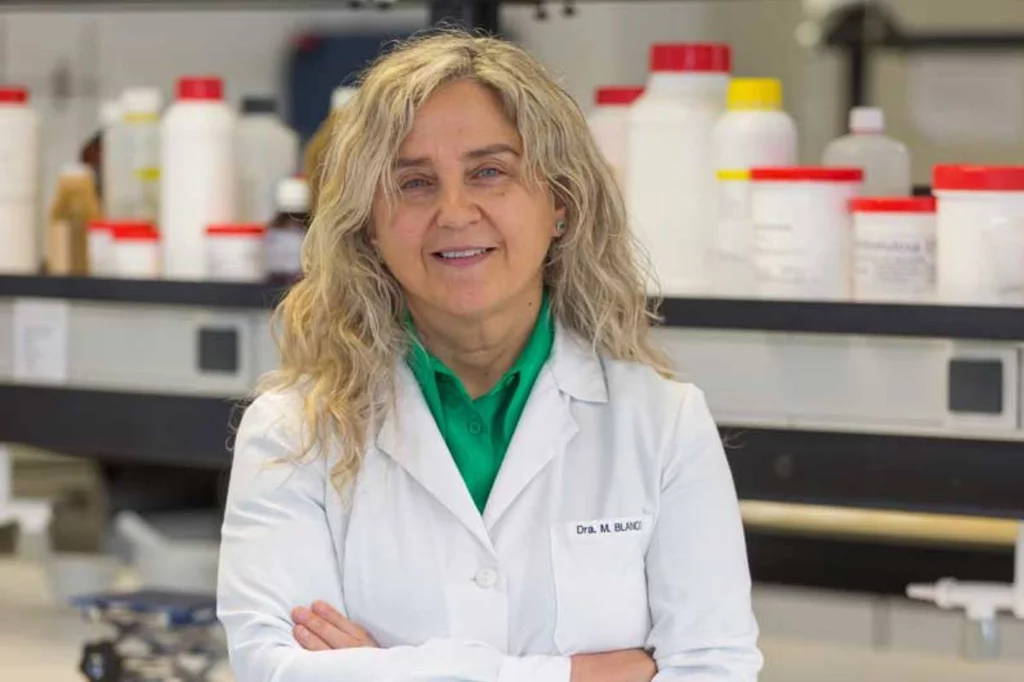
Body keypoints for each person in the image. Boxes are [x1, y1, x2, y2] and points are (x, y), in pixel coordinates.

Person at [218, 30, 762, 682]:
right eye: (414, 183)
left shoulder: (663, 423)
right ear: (369, 224)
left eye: (489, 172)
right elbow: (274, 672)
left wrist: (383, 668)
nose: (454, 211)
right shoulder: (293, 433)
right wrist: (582, 675)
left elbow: (714, 670)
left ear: (560, 202)